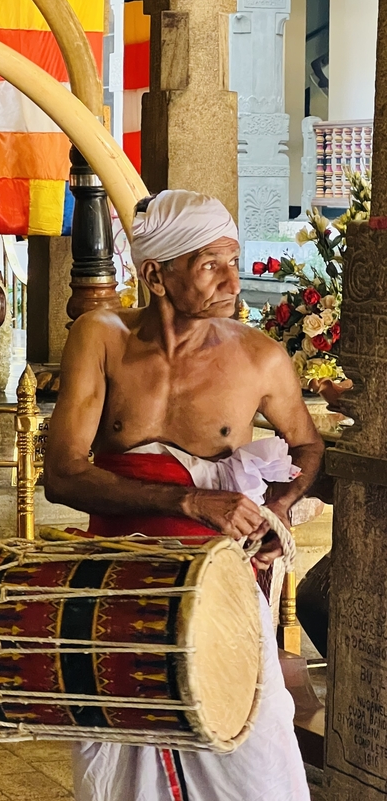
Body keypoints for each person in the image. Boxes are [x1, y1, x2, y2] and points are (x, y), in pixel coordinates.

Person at [44, 189, 324, 801]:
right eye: (209, 263)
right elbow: (62, 475)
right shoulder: (102, 336)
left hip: (221, 585)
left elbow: (307, 448)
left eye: (233, 257)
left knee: (252, 747)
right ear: (156, 274)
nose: (232, 278)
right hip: (117, 580)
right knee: (119, 749)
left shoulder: (261, 358)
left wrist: (275, 514)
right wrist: (189, 503)